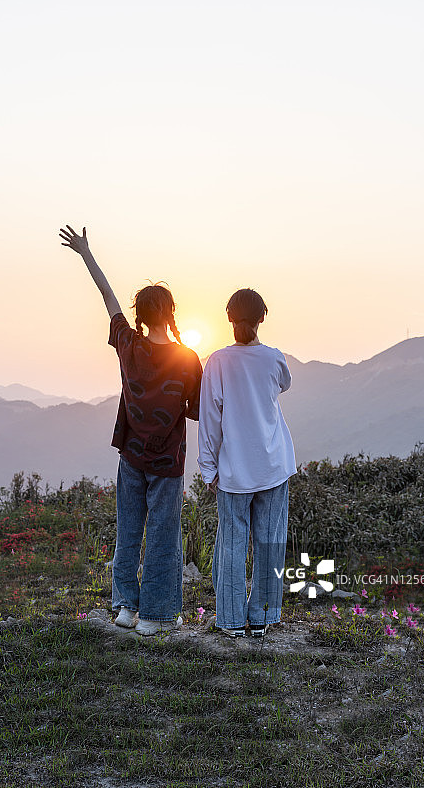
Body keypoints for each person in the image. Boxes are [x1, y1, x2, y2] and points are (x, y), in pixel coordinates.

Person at [59, 225, 203, 635]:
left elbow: (107, 297)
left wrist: (86, 253)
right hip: (168, 461)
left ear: (138, 315)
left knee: (129, 530)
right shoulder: (188, 358)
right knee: (162, 535)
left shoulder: (128, 344)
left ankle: (125, 607)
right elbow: (196, 410)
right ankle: (156, 617)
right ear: (171, 313)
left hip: (131, 454)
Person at [197, 288, 296, 638]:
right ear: (262, 317)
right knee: (269, 543)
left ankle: (231, 621)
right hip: (273, 467)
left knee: (231, 545)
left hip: (233, 472)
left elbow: (209, 417)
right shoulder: (273, 358)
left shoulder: (218, 362)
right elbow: (284, 383)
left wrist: (207, 468)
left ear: (229, 319)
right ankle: (264, 618)